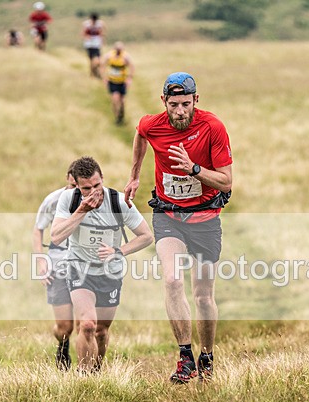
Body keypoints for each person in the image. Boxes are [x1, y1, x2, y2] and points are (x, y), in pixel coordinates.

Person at [123, 72, 233, 384]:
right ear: (164, 102)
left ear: (196, 100)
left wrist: (194, 170)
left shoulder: (213, 127)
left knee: (202, 296)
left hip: (205, 218)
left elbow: (226, 181)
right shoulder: (153, 124)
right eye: (174, 105)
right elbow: (140, 134)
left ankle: (207, 355)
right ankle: (185, 356)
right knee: (172, 280)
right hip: (168, 215)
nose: (180, 111)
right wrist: (134, 176)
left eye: (186, 104)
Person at [51, 156, 153, 373]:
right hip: (79, 268)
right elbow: (56, 237)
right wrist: (82, 211)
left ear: (103, 179)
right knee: (87, 324)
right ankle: (83, 378)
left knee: (101, 330)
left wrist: (118, 251)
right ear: (77, 186)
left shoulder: (118, 202)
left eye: (97, 185)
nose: (94, 191)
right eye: (87, 188)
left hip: (110, 272)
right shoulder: (68, 199)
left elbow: (146, 236)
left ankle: (96, 370)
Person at [33, 163, 77, 370]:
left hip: (86, 266)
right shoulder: (53, 200)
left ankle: (90, 367)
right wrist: (40, 261)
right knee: (65, 326)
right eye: (75, 182)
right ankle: (62, 345)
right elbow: (38, 229)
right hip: (58, 263)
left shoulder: (96, 199)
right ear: (68, 177)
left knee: (88, 323)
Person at [103, 41, 134, 125]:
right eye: (117, 49)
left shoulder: (125, 56)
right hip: (113, 81)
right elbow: (103, 65)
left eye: (120, 50)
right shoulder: (109, 56)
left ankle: (121, 115)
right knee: (115, 99)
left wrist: (129, 79)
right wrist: (105, 78)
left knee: (122, 101)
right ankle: (117, 117)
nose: (118, 51)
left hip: (122, 81)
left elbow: (131, 66)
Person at [82, 12, 105, 78]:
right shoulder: (86, 24)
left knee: (98, 60)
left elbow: (102, 33)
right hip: (89, 44)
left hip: (96, 44)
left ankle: (95, 73)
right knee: (91, 60)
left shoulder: (99, 24)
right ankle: (92, 73)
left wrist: (102, 41)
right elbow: (83, 33)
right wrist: (87, 37)